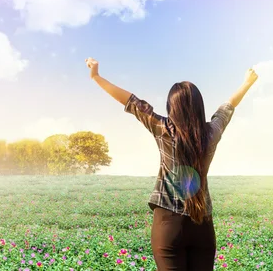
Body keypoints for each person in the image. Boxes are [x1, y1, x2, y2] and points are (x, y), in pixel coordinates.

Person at [85, 57, 258, 271]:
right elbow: (228, 107)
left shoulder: (163, 129)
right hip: (202, 223)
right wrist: (247, 83)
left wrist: (96, 77)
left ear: (172, 107)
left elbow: (129, 101)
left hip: (168, 224)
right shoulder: (211, 133)